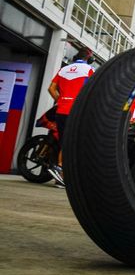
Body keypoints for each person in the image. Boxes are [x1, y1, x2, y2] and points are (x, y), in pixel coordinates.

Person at [47, 47, 95, 185]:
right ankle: (62, 171)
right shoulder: (89, 70)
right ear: (89, 59)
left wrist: (60, 99)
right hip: (76, 111)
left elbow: (51, 88)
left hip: (61, 110)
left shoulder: (63, 69)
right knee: (73, 143)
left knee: (64, 141)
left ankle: (60, 175)